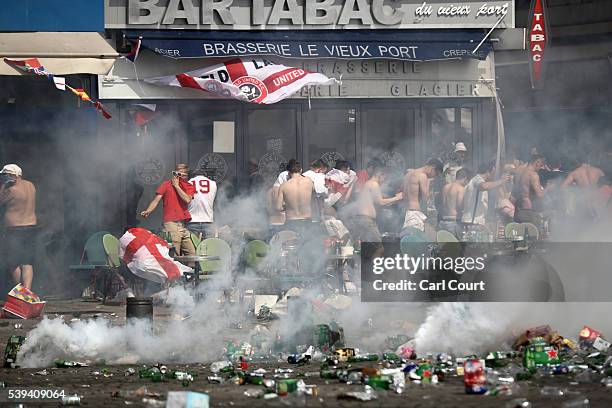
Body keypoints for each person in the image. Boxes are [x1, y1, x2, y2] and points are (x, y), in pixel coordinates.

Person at [141, 164, 196, 256]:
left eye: (181, 175)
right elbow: (156, 200)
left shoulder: (189, 186)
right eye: (176, 174)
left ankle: (190, 269)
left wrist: (177, 186)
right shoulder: (166, 185)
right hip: (171, 223)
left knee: (191, 253)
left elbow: (187, 199)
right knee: (175, 254)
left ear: (186, 176)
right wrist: (148, 210)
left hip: (183, 224)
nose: (178, 177)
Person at [0, 164, 37, 289]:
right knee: (27, 262)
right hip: (31, 227)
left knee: (13, 263)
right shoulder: (31, 185)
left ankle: (19, 291)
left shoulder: (10, 189)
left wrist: (3, 186)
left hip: (14, 229)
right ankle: (27, 291)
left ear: (12, 175)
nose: (3, 178)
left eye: (4, 175)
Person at [352, 165, 403, 247]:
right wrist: (397, 198)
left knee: (368, 248)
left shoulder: (369, 184)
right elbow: (381, 202)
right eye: (384, 177)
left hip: (363, 219)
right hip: (367, 221)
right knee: (379, 248)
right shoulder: (374, 184)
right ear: (380, 175)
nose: (384, 180)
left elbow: (381, 202)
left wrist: (396, 199)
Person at [461, 160, 510, 228]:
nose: (494, 175)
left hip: (476, 222)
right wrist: (501, 181)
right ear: (489, 171)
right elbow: (483, 186)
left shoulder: (480, 180)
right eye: (494, 172)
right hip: (472, 222)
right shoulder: (477, 179)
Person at [401, 158, 443, 235]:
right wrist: (429, 182)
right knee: (417, 244)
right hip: (415, 214)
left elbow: (402, 193)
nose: (435, 176)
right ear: (433, 168)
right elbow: (425, 198)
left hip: (407, 212)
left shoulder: (408, 174)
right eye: (436, 174)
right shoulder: (422, 176)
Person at [276, 161, 315, 237]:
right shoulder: (309, 182)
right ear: (300, 170)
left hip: (291, 222)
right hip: (306, 221)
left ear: (288, 172)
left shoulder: (284, 186)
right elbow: (313, 199)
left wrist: (287, 205)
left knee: (290, 247)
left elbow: (278, 207)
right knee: (308, 247)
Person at [512, 154, 546, 225]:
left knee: (519, 234)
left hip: (517, 210)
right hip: (528, 211)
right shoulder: (533, 175)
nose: (540, 168)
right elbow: (540, 195)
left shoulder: (518, 171)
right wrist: (549, 188)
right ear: (537, 162)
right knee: (532, 234)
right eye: (541, 165)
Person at [187, 170, 218, 240]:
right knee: (208, 248)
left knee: (192, 249)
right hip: (208, 220)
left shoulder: (188, 183)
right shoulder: (213, 184)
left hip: (192, 220)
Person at [439, 168, 469, 236]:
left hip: (443, 221)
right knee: (455, 246)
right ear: (465, 178)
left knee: (444, 246)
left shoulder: (445, 187)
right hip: (453, 222)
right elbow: (460, 206)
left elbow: (443, 203)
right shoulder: (460, 189)